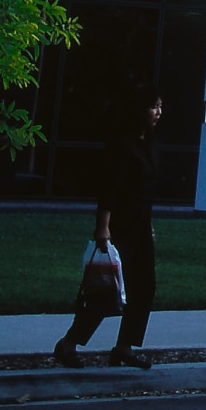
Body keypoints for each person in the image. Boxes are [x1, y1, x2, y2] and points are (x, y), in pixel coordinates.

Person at [54, 84, 162, 368]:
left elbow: (145, 191)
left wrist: (148, 224)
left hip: (140, 228)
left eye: (160, 107)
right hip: (119, 229)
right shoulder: (121, 145)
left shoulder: (146, 144)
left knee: (144, 287)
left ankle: (124, 346)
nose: (158, 113)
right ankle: (69, 343)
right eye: (153, 107)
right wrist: (103, 228)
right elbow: (110, 191)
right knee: (106, 289)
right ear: (138, 110)